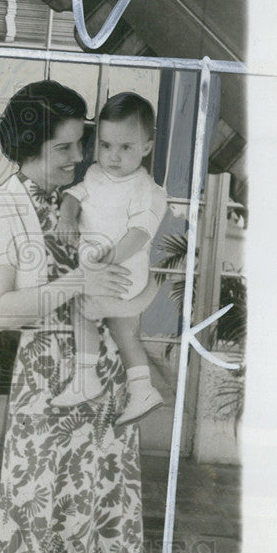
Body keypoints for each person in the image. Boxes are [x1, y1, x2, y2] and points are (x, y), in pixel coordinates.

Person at [0, 80, 156, 553]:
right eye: (66, 146)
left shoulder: (98, 195)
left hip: (101, 378)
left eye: (83, 143)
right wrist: (75, 280)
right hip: (45, 383)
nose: (81, 157)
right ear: (28, 146)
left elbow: (154, 237)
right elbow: (0, 312)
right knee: (32, 524)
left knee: (98, 523)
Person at [51, 92, 168, 424]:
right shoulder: (95, 174)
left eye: (125, 147)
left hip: (121, 271)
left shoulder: (143, 188)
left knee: (84, 308)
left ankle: (87, 378)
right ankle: (141, 387)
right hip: (101, 266)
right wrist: (66, 217)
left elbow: (140, 233)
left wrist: (110, 257)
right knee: (123, 332)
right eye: (105, 145)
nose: (113, 156)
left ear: (146, 147)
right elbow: (74, 196)